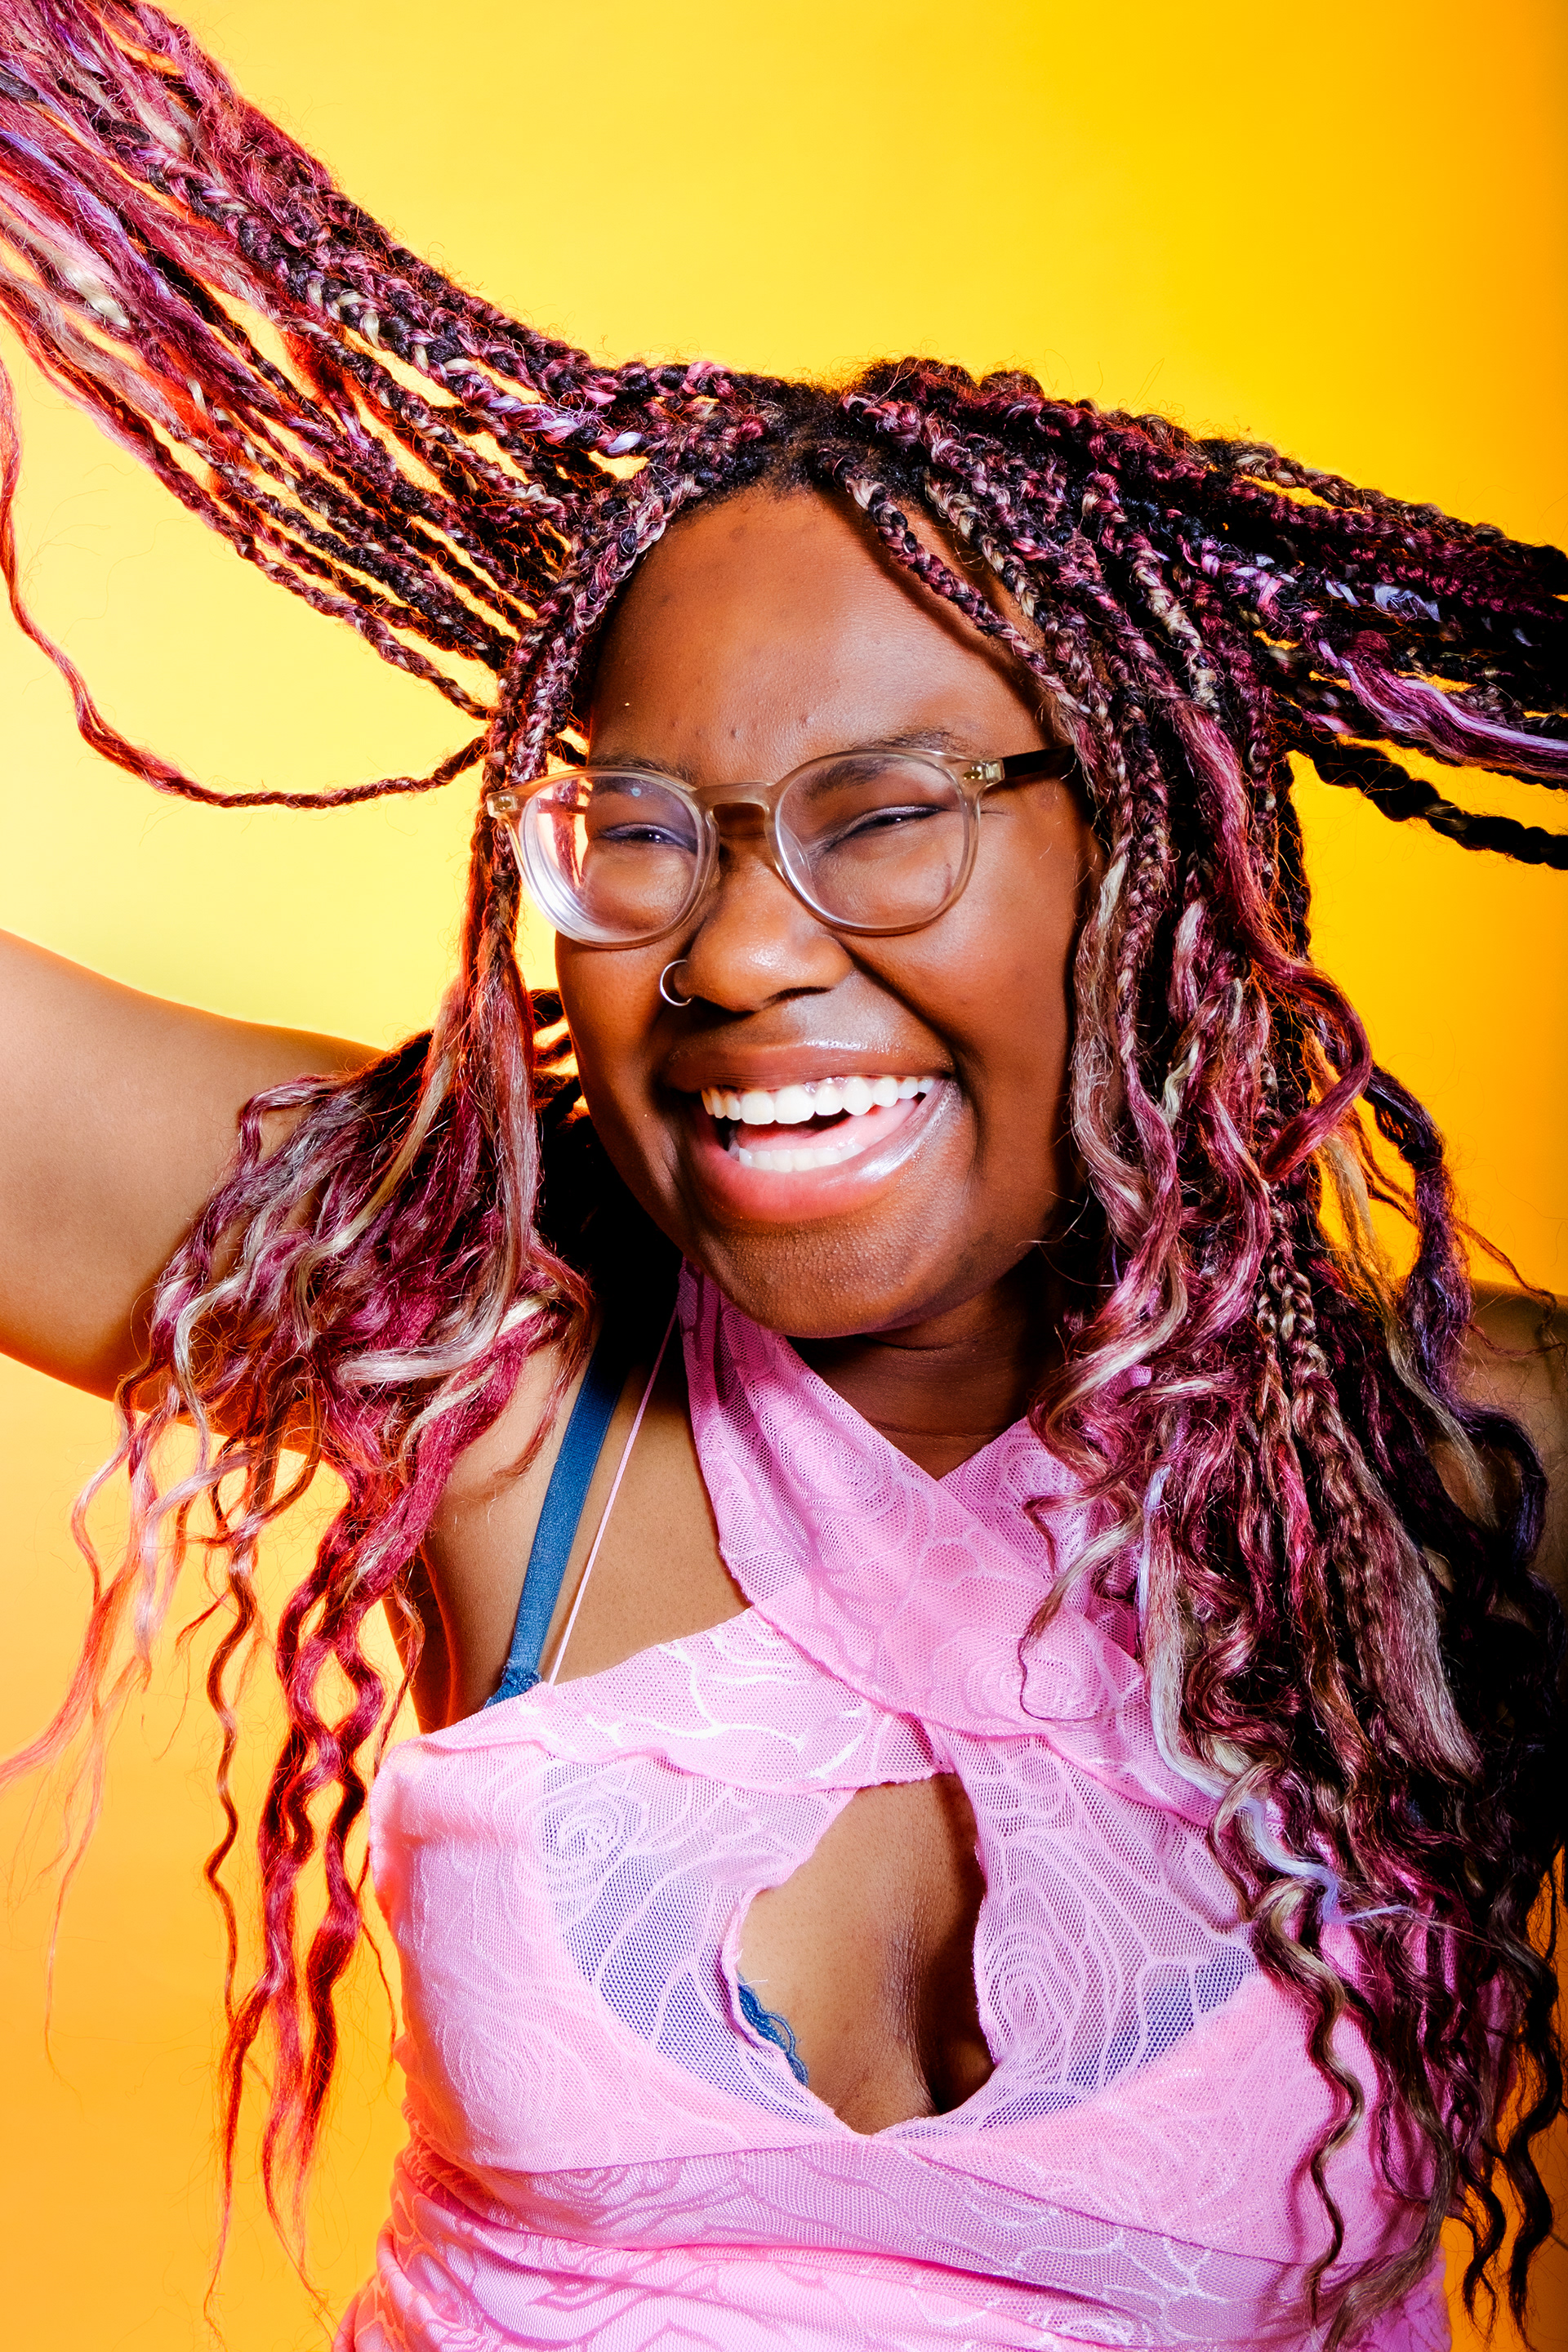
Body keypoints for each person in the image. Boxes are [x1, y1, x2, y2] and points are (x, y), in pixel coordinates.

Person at [1, 4, 1565, 2348]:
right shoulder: (489, 1358)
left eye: (888, 812)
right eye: (636, 830)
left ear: (1152, 865)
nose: (735, 952)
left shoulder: (1468, 1478)